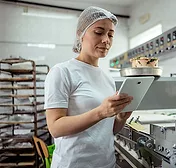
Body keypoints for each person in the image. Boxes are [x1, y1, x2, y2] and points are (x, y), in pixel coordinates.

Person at [44, 6, 133, 168]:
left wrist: (120, 118)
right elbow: (55, 128)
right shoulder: (62, 72)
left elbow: (109, 130)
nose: (106, 40)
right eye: (99, 32)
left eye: (111, 35)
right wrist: (100, 112)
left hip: (107, 163)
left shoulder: (107, 78)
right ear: (80, 34)